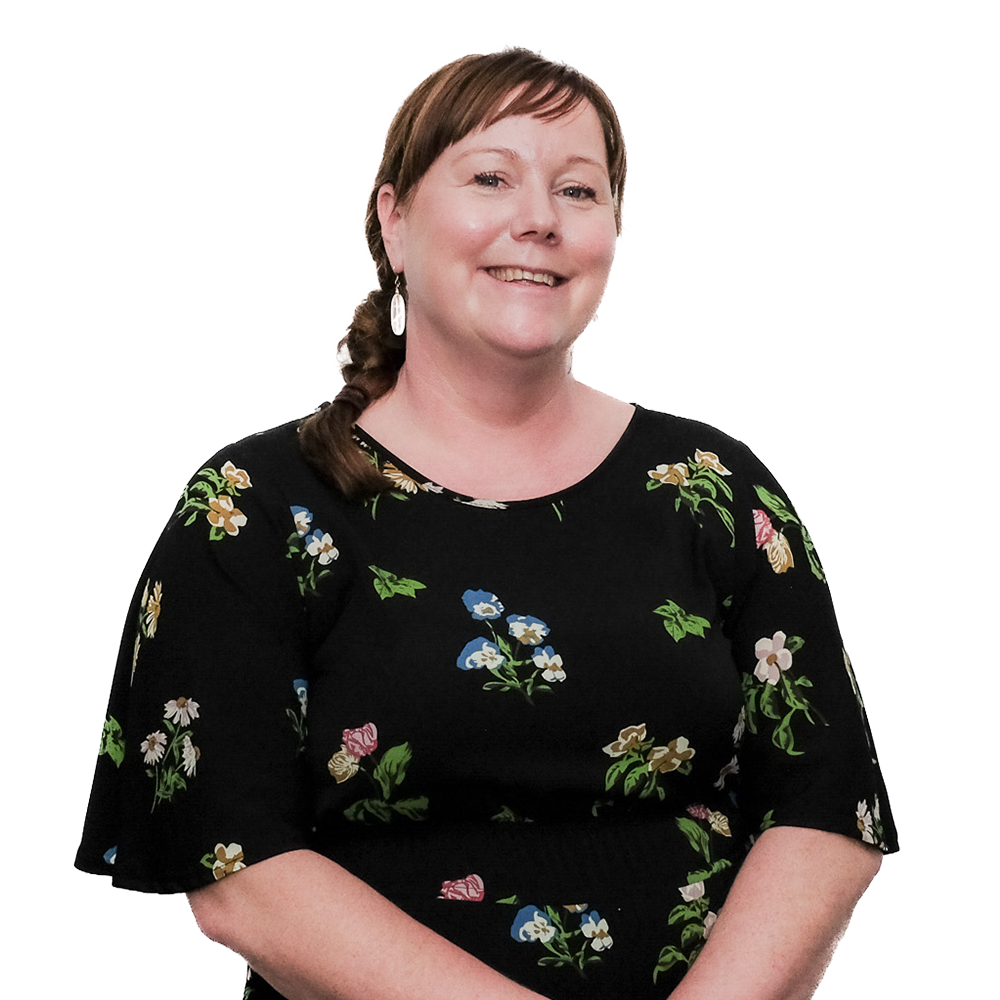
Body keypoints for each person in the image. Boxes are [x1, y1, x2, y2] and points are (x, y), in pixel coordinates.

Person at [74, 45, 898, 999]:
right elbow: (237, 869)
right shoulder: (251, 509)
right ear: (393, 220)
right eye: (491, 177)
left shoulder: (712, 488)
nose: (539, 219)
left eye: (578, 191)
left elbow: (825, 805)